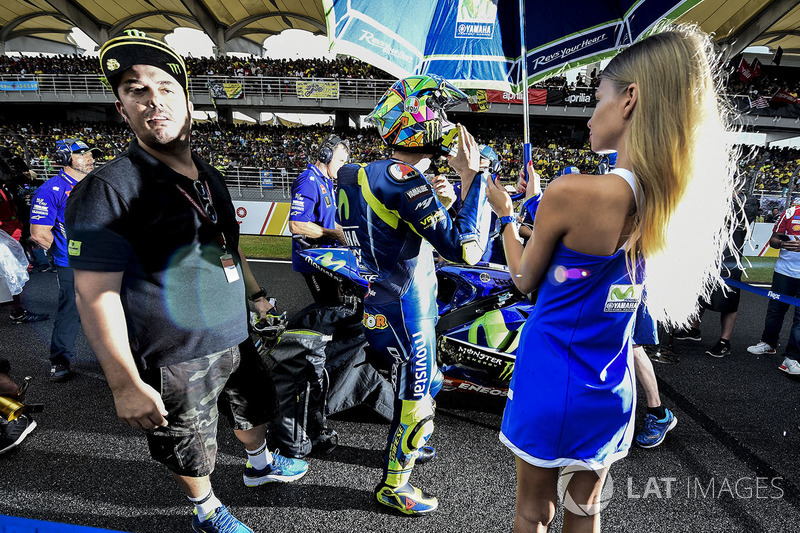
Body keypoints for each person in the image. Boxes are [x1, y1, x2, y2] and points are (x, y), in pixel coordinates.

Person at [485, 25, 737, 531]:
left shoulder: (575, 191)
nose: (589, 111)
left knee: (533, 511)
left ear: (629, 99)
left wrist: (506, 214)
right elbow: (580, 266)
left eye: (597, 96)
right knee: (586, 509)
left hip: (553, 372)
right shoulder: (668, 198)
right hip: (609, 384)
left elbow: (523, 278)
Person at [65, 30, 307, 533]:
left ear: (188, 102)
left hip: (235, 333)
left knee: (256, 407)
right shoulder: (108, 188)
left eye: (165, 87)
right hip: (174, 352)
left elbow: (228, 245)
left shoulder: (208, 174)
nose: (154, 100)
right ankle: (207, 511)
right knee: (189, 445)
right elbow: (94, 294)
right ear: (121, 108)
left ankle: (261, 466)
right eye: (136, 90)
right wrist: (124, 382)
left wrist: (258, 297)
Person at [337, 75, 490, 515]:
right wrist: (472, 177)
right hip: (408, 307)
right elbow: (468, 249)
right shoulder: (403, 177)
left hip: (381, 298)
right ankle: (394, 486)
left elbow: (392, 221)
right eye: (438, 111)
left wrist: (436, 195)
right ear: (417, 118)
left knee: (431, 380)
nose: (445, 121)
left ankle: (411, 441)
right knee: (418, 395)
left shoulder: (359, 173)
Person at [28, 139, 98, 382]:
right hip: (72, 264)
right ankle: (59, 360)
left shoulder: (97, 184)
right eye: (82, 154)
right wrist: (65, 254)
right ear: (66, 158)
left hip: (106, 260)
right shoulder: (49, 189)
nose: (90, 158)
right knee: (71, 311)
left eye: (91, 153)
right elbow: (39, 234)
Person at [288, 134, 348, 305]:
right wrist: (335, 234)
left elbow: (328, 220)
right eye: (341, 161)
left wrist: (346, 233)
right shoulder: (308, 180)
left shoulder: (327, 182)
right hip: (314, 259)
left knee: (337, 305)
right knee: (328, 308)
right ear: (326, 156)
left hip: (328, 258)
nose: (343, 167)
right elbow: (296, 224)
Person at [747, 202, 800, 375]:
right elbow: (773, 240)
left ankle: (792, 358)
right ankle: (768, 344)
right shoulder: (791, 212)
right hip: (784, 272)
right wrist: (782, 244)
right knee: (775, 310)